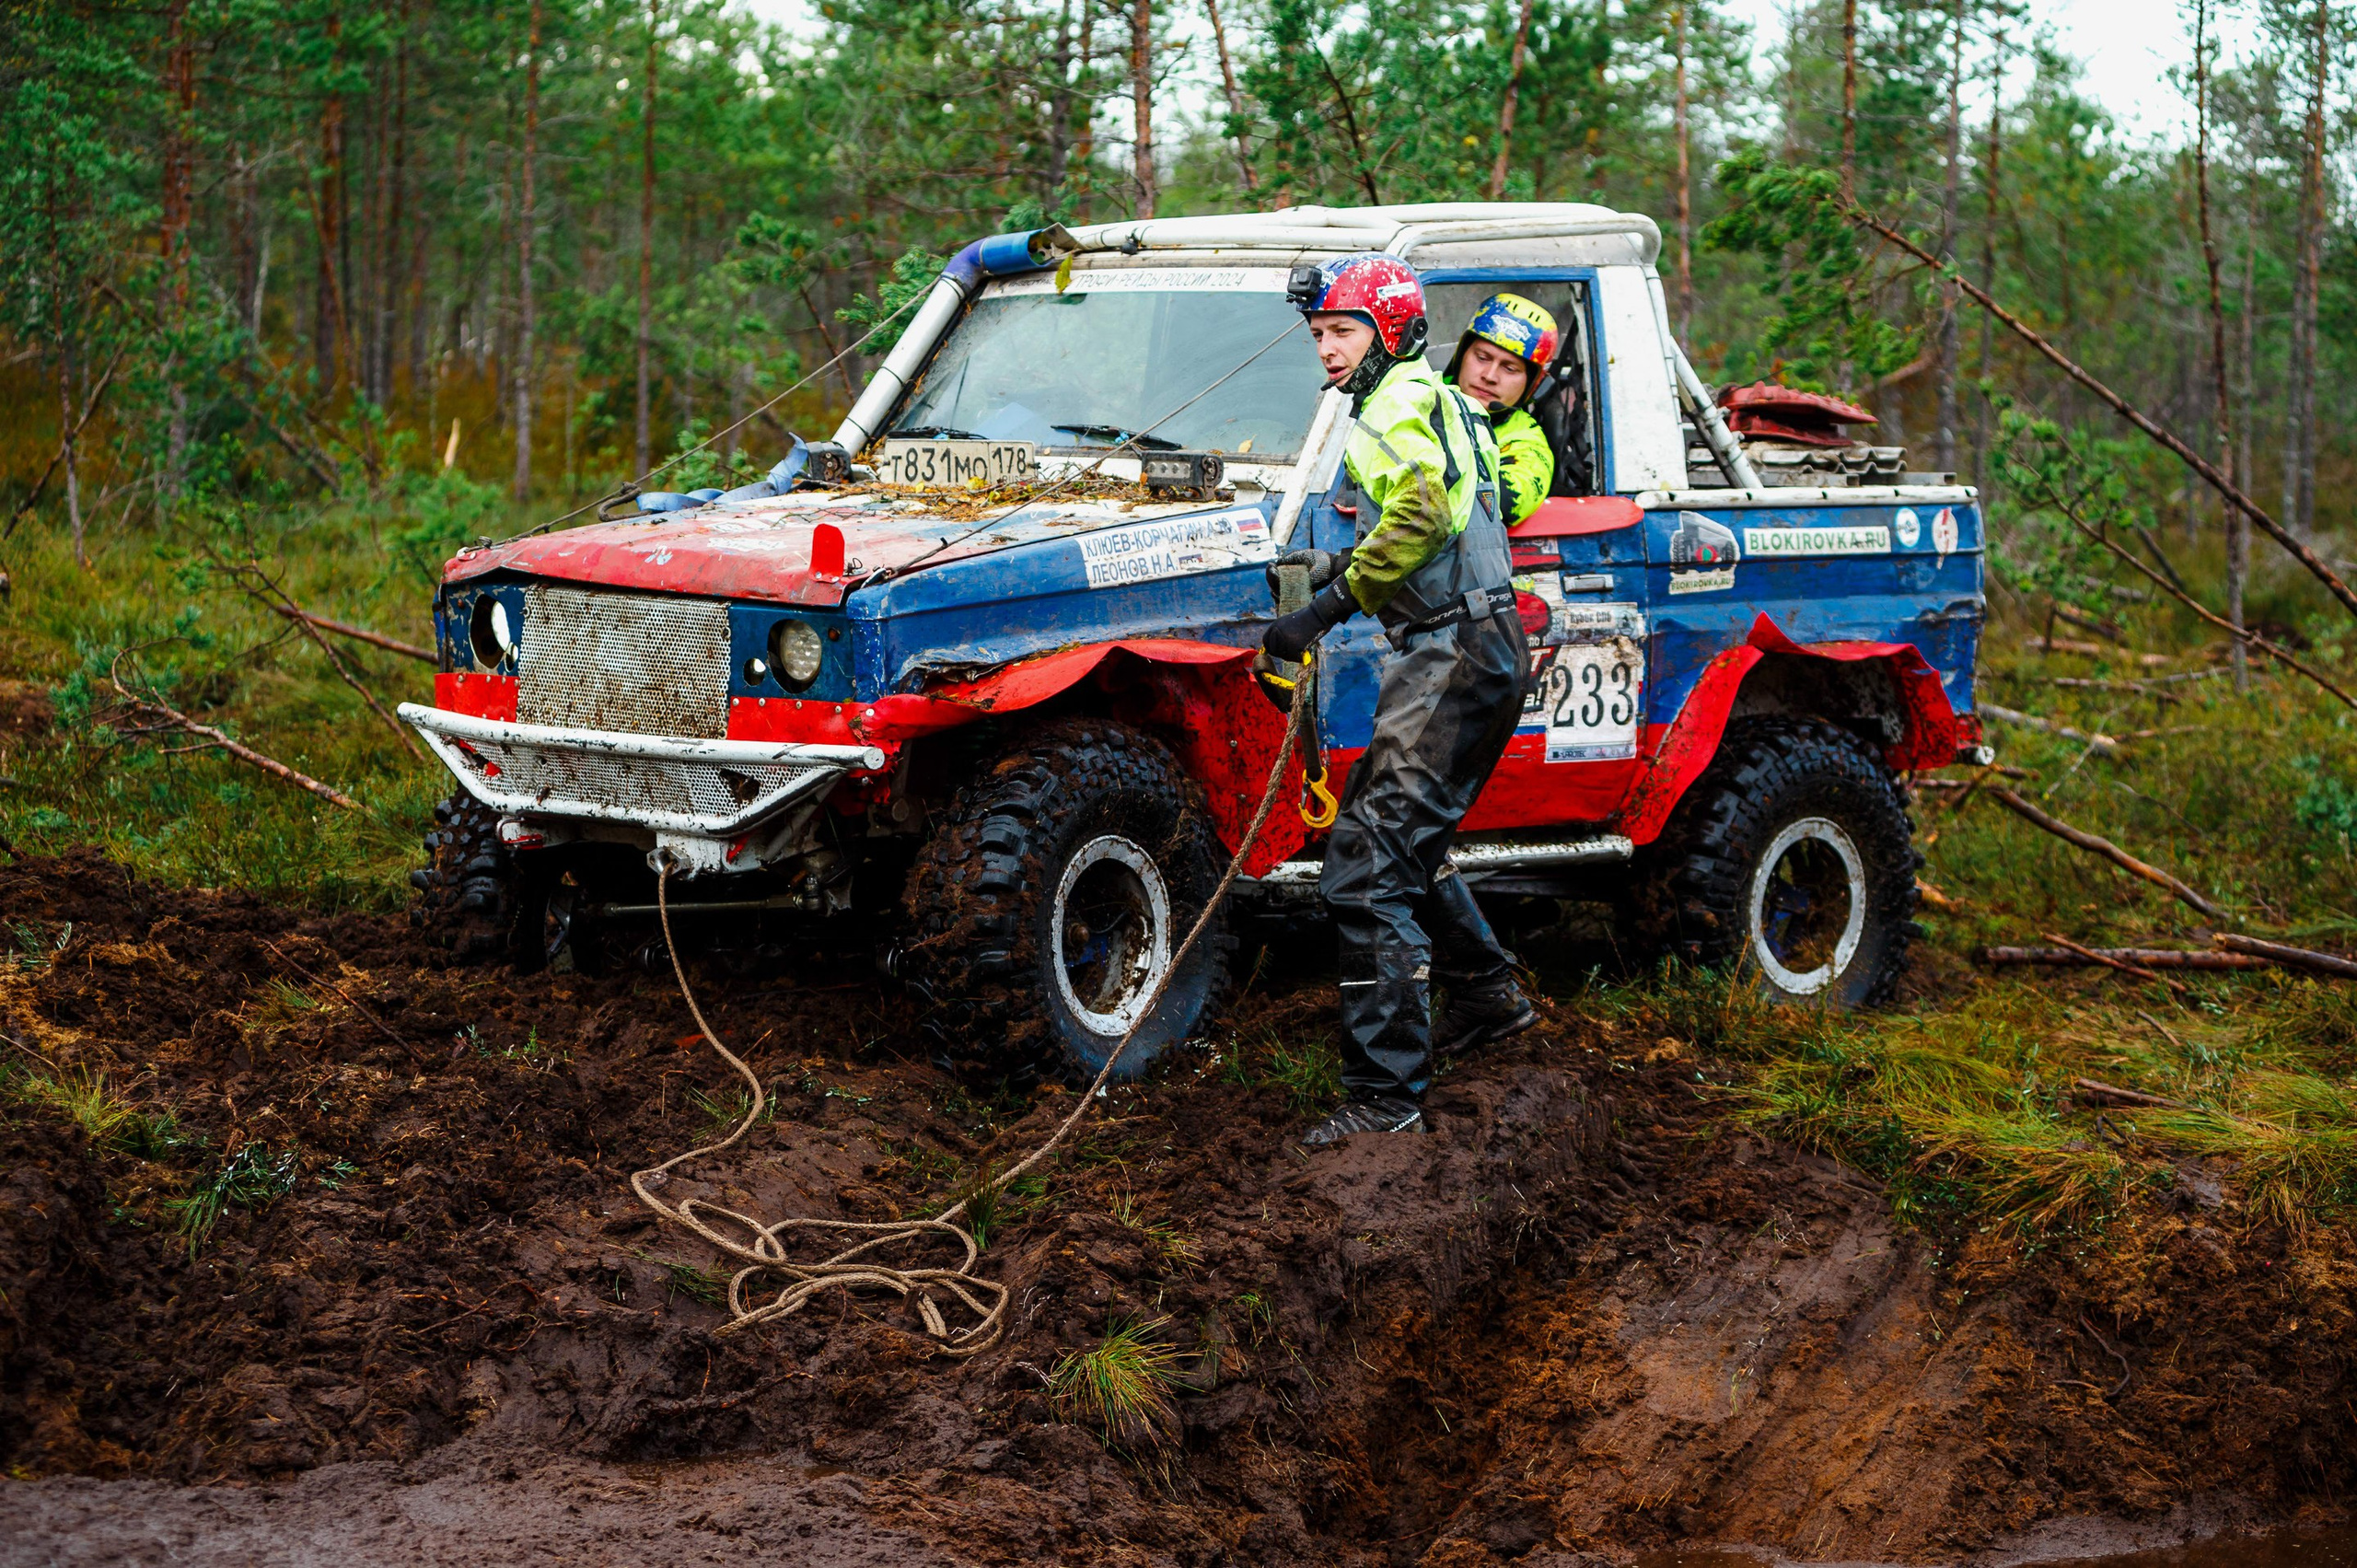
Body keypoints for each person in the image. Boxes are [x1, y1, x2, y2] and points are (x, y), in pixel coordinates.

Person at [1261, 254, 1538, 1149]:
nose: (1327, 351)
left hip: (1450, 652)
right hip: (1486, 641)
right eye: (1317, 335)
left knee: (1366, 865)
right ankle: (1490, 999)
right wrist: (1346, 574)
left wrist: (1317, 610)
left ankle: (1385, 1098)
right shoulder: (1445, 398)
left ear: (1386, 329)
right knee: (1405, 843)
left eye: (1341, 332)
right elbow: (1451, 513)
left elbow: (1417, 516)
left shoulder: (1387, 409)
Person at [1443, 294, 1559, 525]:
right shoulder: (1418, 396)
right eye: (1482, 357)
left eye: (1510, 368)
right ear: (1461, 355)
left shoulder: (1528, 443)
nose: (1489, 376)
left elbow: (1495, 506)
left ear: (1531, 383)